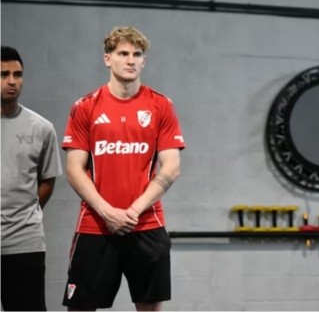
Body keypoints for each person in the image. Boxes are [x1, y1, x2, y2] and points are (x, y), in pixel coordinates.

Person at [61, 26, 185, 311]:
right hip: (95, 225)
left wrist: (133, 212)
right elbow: (74, 169)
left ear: (144, 61)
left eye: (137, 54)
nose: (131, 60)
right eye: (123, 53)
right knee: (80, 307)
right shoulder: (85, 107)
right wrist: (107, 212)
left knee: (150, 308)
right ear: (108, 58)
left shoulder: (161, 105)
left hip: (146, 224)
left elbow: (172, 166)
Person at [1, 45, 63, 311]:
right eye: (4, 74)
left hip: (24, 243)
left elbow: (48, 181)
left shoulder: (42, 128)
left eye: (18, 74)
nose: (12, 81)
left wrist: (27, 210)